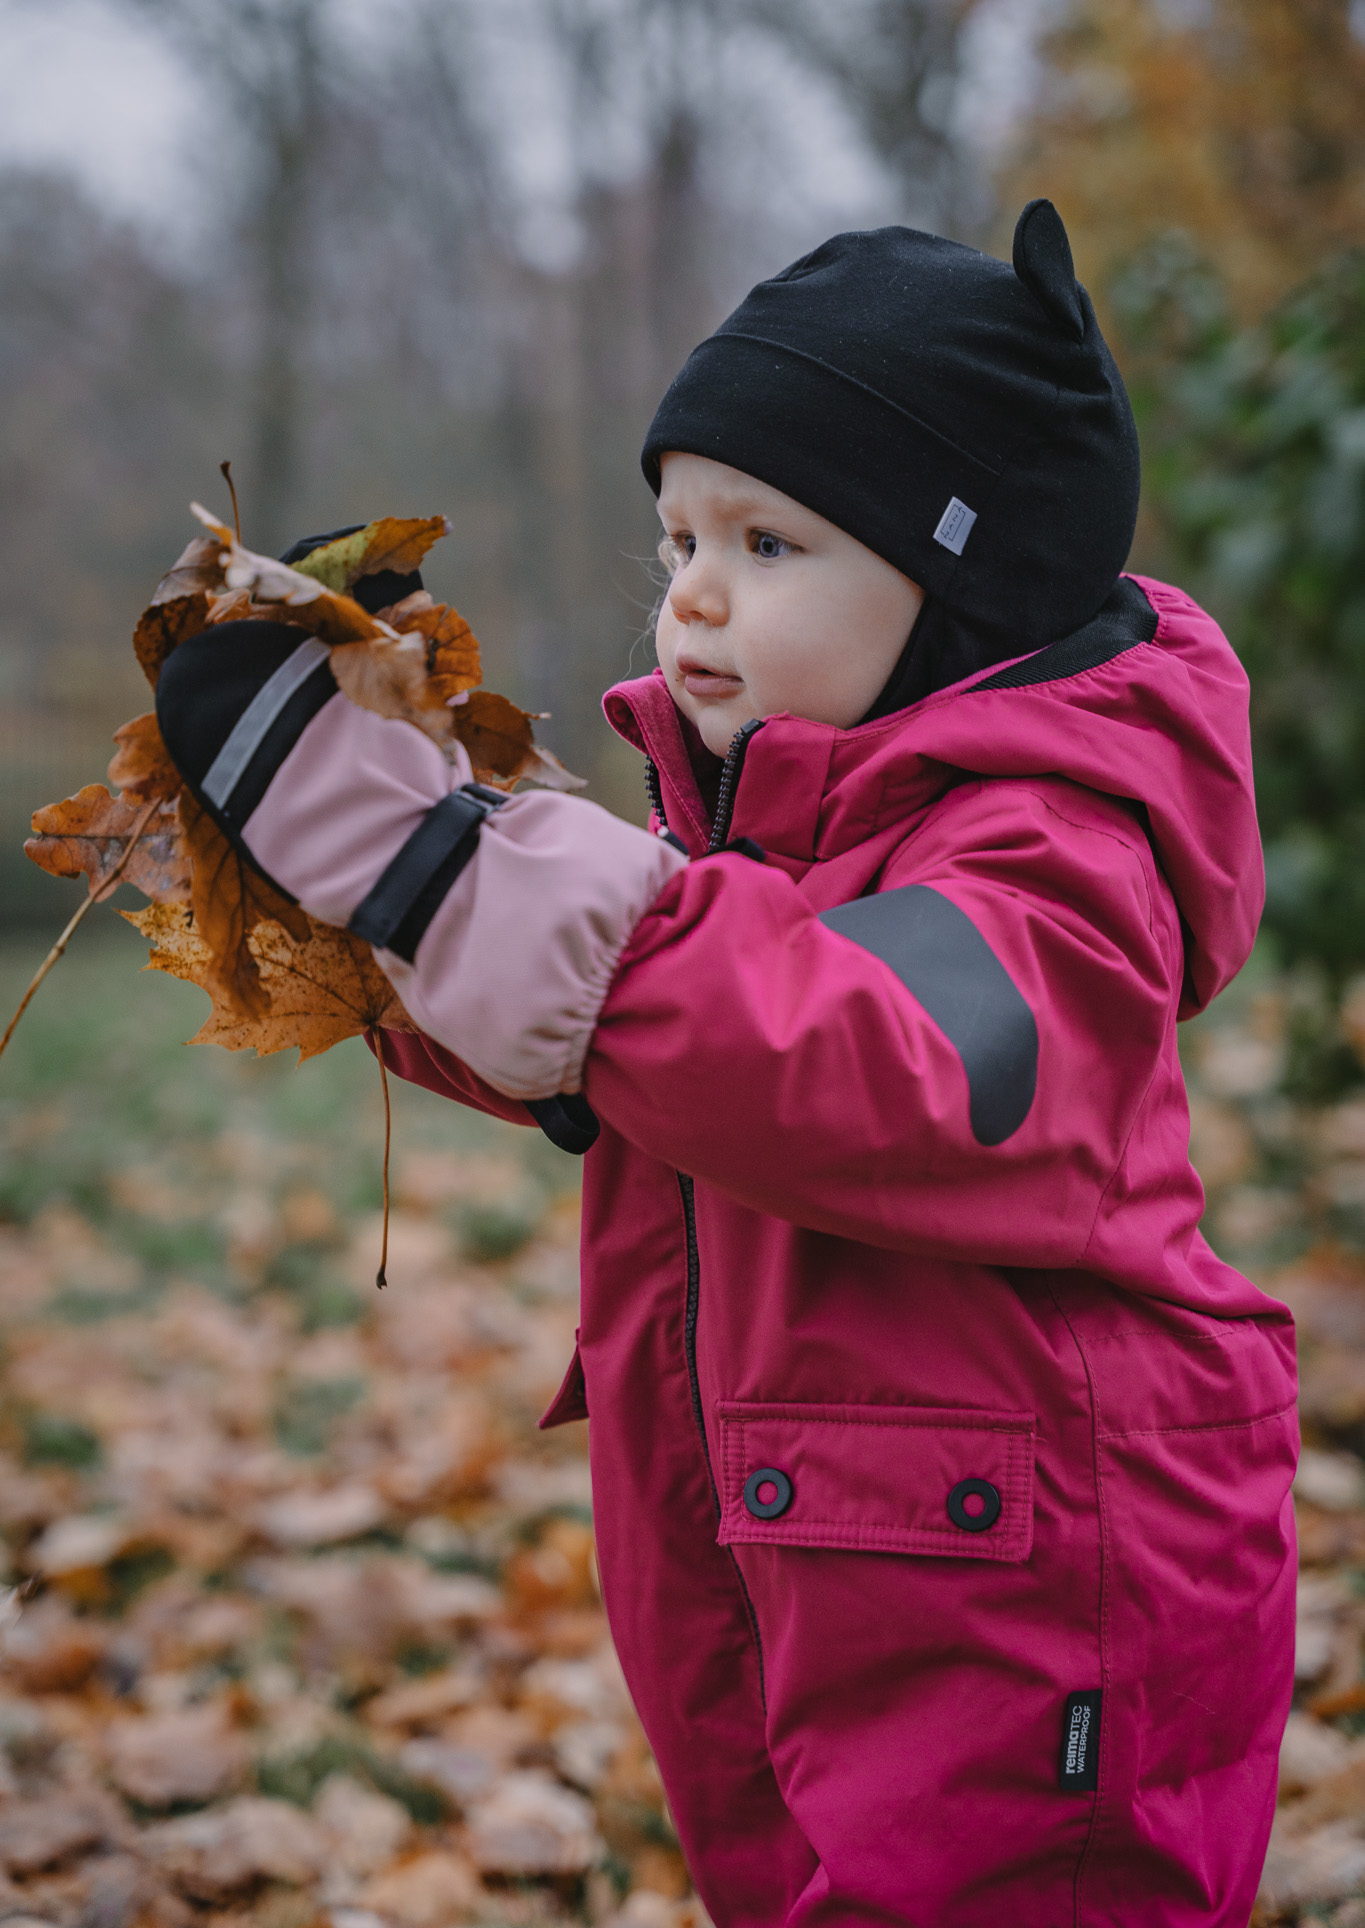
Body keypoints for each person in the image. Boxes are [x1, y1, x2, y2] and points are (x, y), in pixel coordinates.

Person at [156, 199, 1297, 1927]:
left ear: (956, 591)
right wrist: (375, 917)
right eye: (678, 532)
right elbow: (628, 1059)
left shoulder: (1056, 850)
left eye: (768, 544)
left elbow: (860, 1057)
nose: (690, 590)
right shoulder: (765, 839)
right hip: (812, 1556)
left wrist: (445, 867)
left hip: (1045, 1602)